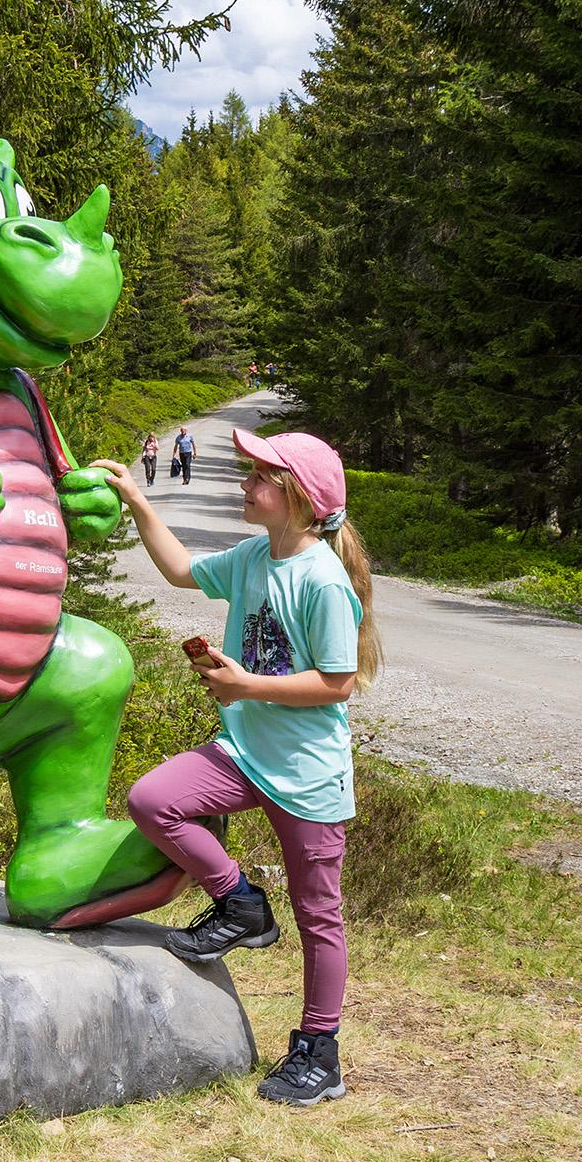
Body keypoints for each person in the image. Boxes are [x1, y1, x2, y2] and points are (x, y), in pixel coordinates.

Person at [95, 429, 381, 1106]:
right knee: (153, 799)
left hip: (306, 773)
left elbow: (338, 682)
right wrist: (137, 500)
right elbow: (180, 571)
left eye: (259, 477)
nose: (244, 485)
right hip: (244, 752)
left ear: (297, 497)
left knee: (318, 916)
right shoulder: (254, 555)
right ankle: (242, 903)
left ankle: (320, 1052)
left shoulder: (322, 580)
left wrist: (245, 684)